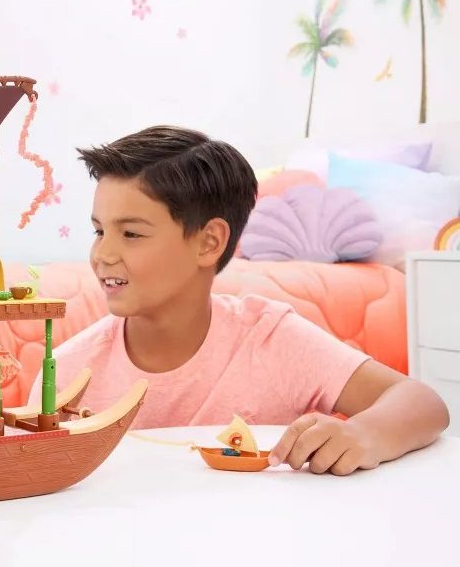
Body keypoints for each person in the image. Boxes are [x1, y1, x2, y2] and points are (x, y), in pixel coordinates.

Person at [29, 126, 448, 475]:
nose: (102, 254)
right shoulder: (66, 373)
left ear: (209, 242)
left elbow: (423, 402)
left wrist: (363, 433)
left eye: (131, 233)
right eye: (99, 231)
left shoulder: (271, 338)